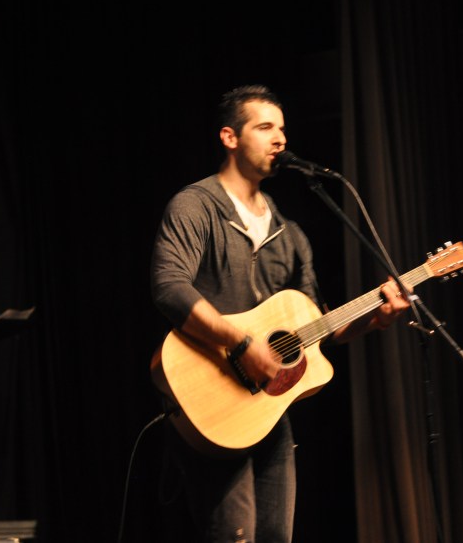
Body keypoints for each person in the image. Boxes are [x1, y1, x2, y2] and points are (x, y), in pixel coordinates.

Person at [150, 85, 410, 542]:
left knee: (277, 535)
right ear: (230, 137)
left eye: (283, 129)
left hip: (268, 410)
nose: (280, 139)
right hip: (213, 396)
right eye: (265, 127)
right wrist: (241, 343)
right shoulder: (195, 206)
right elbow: (169, 286)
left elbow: (318, 327)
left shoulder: (290, 234)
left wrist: (376, 317)